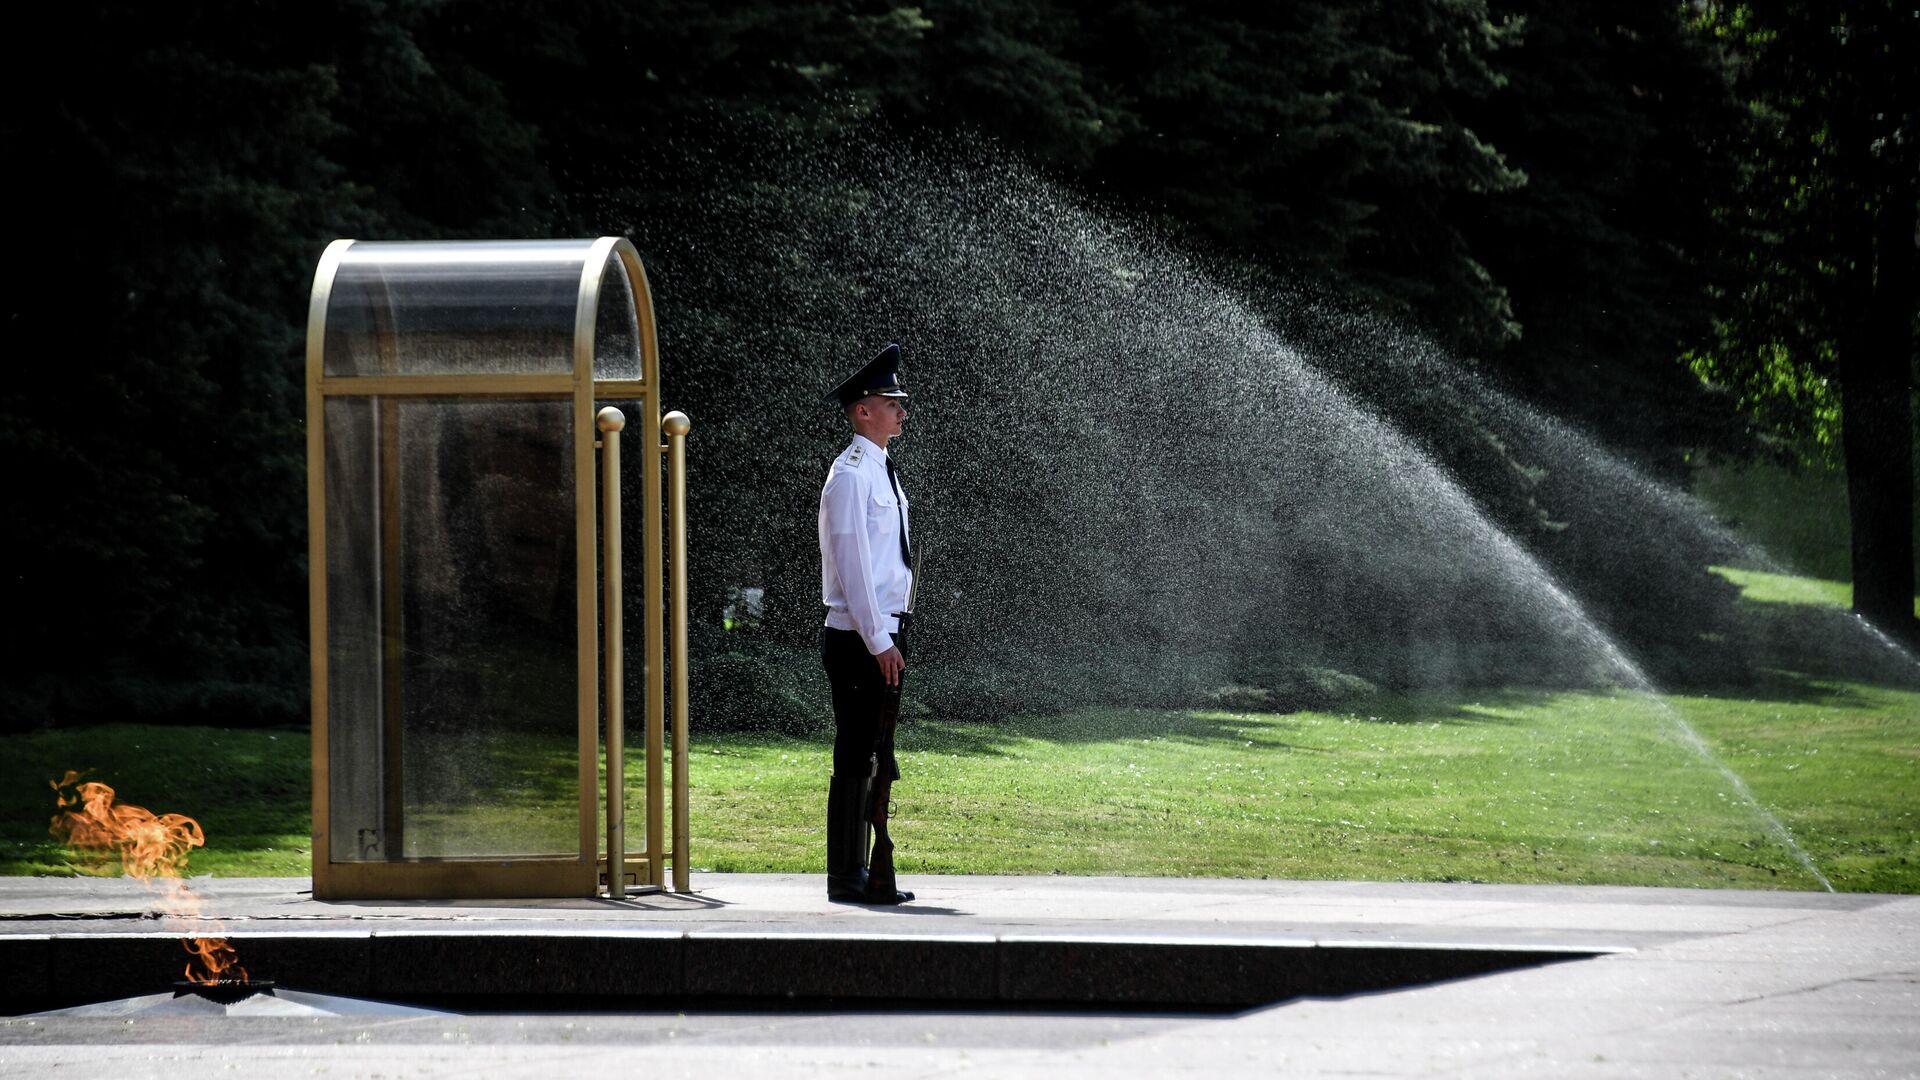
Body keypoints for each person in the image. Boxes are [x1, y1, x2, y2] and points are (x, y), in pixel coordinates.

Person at [818, 342, 917, 904]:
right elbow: (854, 569)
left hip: (882, 633)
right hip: (858, 637)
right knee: (855, 751)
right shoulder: (852, 475)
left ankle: (863, 869)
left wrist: (893, 634)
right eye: (890, 401)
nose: (901, 410)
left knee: (874, 752)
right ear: (862, 410)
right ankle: (846, 876)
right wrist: (880, 640)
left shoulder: (882, 471)